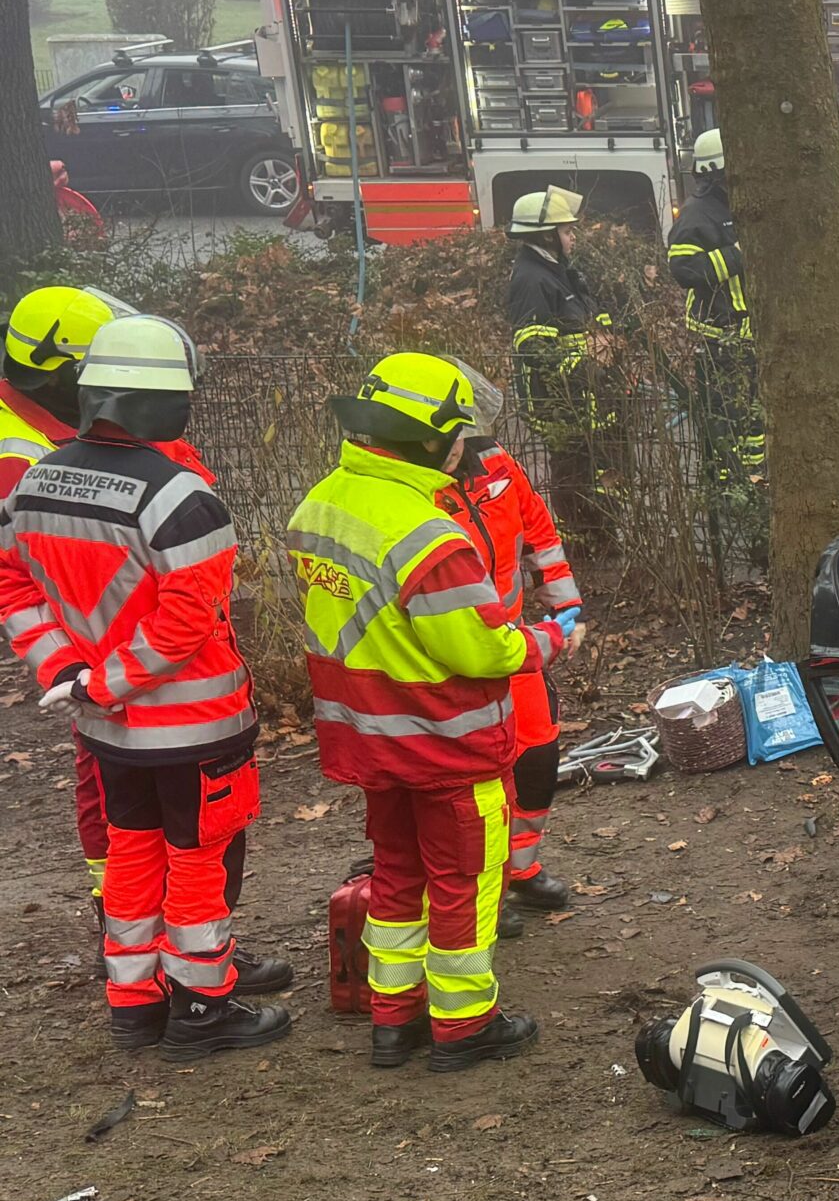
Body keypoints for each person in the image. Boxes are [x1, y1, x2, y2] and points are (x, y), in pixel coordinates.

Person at [0, 316, 289, 1056]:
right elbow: (186, 621)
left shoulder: (35, 482)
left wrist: (66, 673)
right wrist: (107, 683)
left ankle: (134, 1001)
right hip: (193, 727)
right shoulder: (182, 497)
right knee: (199, 860)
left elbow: (15, 588)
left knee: (131, 851)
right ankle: (202, 1007)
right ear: (169, 402)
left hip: (107, 731)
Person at [289, 354, 581, 1073]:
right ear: (428, 439)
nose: (464, 448)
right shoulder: (428, 535)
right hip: (445, 740)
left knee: (397, 874)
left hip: (369, 736)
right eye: (457, 435)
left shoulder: (322, 504)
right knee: (465, 884)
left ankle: (394, 1019)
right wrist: (549, 638)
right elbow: (480, 650)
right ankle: (464, 1024)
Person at [2, 286, 119, 937]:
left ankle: (143, 928)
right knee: (111, 779)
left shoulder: (36, 428)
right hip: (84, 640)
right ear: (59, 373)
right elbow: (17, 580)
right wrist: (69, 667)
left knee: (111, 776)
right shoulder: (19, 457)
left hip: (90, 631)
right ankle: (133, 928)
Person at [439, 416, 582, 936]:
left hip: (513, 642)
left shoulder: (494, 461)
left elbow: (539, 533)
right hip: (451, 656)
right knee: (475, 779)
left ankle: (520, 866)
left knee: (537, 753)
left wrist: (566, 608)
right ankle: (481, 887)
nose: (453, 446)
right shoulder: (410, 486)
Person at [504, 185, 614, 553]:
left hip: (583, 393)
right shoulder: (531, 279)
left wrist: (608, 339)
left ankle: (601, 533)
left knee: (593, 465)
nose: (573, 237)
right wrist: (586, 363)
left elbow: (583, 317)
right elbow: (532, 347)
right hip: (558, 401)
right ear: (547, 236)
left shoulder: (558, 270)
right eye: (567, 231)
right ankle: (580, 544)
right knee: (572, 470)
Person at [665, 129, 768, 497]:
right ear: (716, 172)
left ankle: (753, 481)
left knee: (754, 419)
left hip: (750, 336)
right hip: (718, 340)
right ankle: (726, 489)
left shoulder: (740, 205)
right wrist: (737, 254)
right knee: (726, 419)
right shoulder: (697, 215)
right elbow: (684, 270)